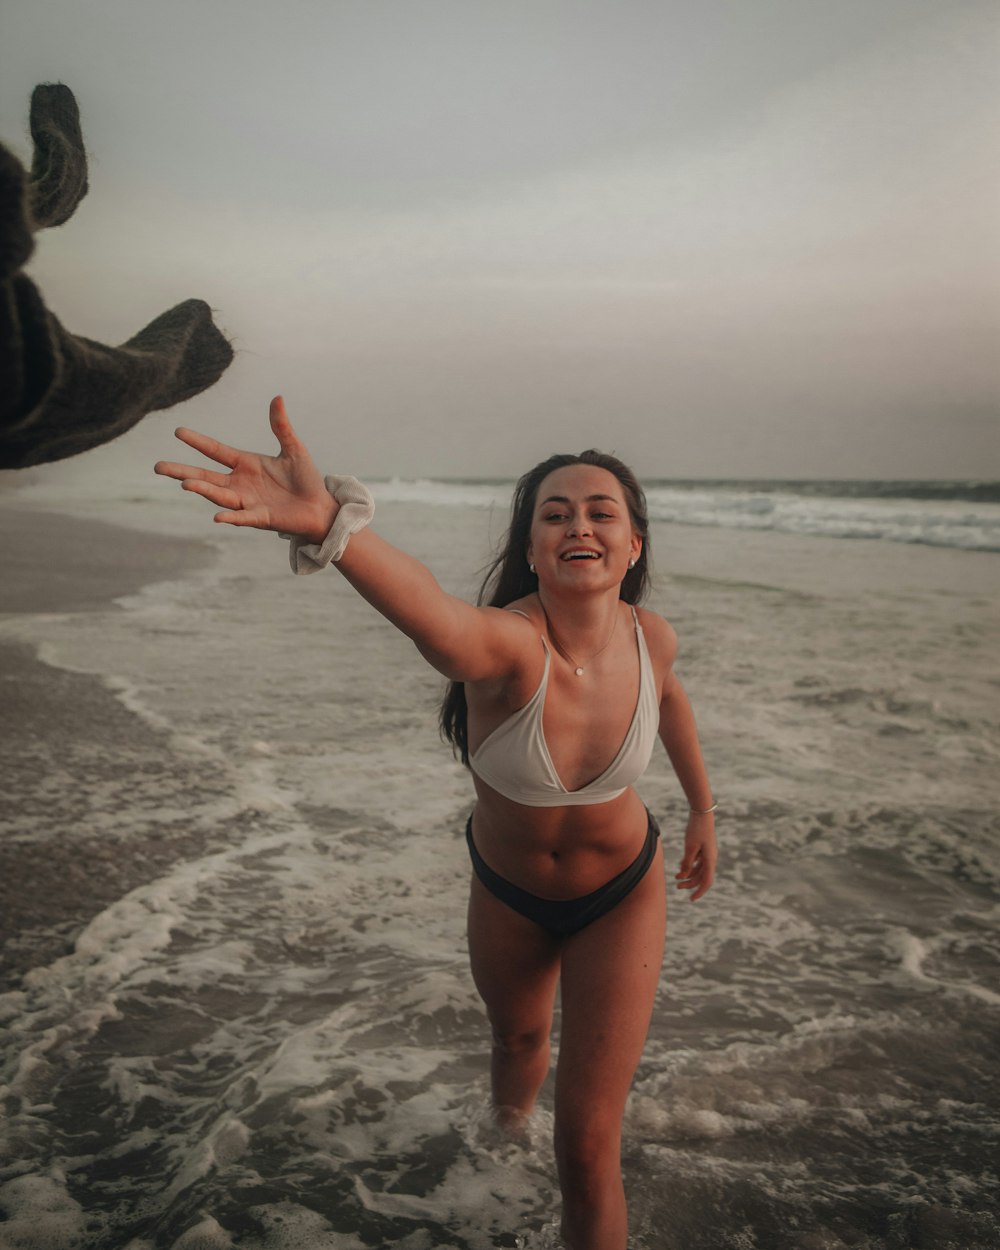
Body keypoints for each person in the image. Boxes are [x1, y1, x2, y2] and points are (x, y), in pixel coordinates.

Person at [154, 396, 717, 1250]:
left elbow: (669, 699)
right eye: (554, 512)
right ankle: (498, 1154)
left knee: (588, 1140)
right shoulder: (504, 647)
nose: (579, 524)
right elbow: (433, 611)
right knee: (517, 1041)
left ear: (632, 544)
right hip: (509, 889)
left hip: (623, 889)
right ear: (531, 549)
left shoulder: (654, 637)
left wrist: (704, 806)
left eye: (603, 511)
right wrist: (334, 528)